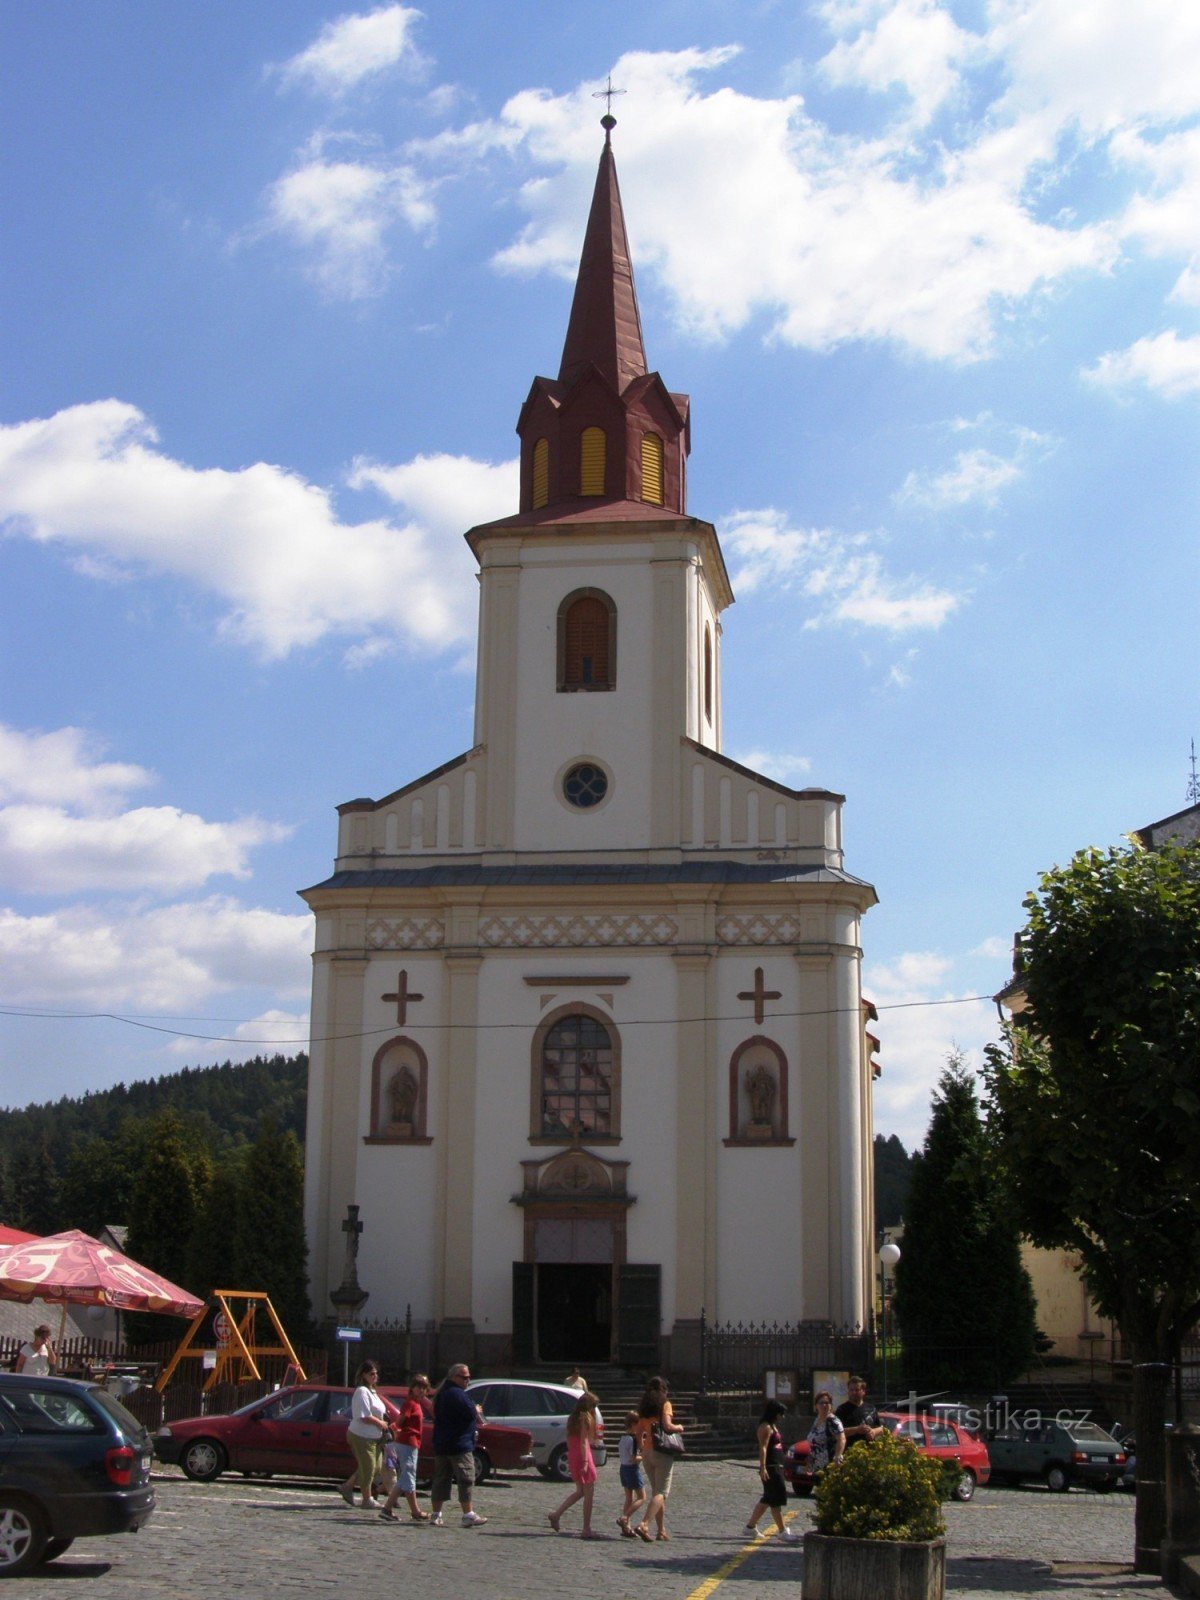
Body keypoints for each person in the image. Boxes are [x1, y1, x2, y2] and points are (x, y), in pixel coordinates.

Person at [430, 1362, 487, 1527]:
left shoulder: (442, 1393)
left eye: (469, 1377)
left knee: (441, 1479)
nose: (467, 1380)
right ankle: (468, 1514)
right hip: (458, 1445)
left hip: (442, 1444)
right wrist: (476, 1409)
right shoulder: (456, 1393)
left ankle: (436, 1515)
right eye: (464, 1377)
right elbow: (470, 1412)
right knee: (466, 1478)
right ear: (454, 1377)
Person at [629, 1376, 683, 1542]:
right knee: (661, 1492)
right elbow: (667, 1426)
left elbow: (638, 1433)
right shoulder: (664, 1405)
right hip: (662, 1452)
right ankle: (644, 1524)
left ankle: (661, 1530)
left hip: (647, 1453)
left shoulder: (643, 1409)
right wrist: (679, 1427)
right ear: (663, 1391)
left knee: (655, 1492)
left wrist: (643, 1446)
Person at [379, 1373, 432, 1523]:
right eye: (418, 1387)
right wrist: (394, 1428)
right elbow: (401, 1420)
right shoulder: (410, 1403)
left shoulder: (417, 1403)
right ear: (412, 1388)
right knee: (407, 1477)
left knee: (408, 1478)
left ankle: (415, 1511)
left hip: (411, 1443)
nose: (421, 1390)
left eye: (424, 1387)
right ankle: (387, 1509)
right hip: (407, 1443)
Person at [547, 1390, 601, 1538]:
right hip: (583, 1456)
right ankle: (586, 1528)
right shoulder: (585, 1418)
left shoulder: (573, 1418)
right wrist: (585, 1462)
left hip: (574, 1454)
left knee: (580, 1491)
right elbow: (584, 1441)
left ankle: (556, 1514)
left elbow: (573, 1440)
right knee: (588, 1493)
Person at [744, 1399, 799, 1540]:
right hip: (770, 1466)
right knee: (775, 1498)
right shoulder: (766, 1427)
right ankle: (782, 1531)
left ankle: (750, 1527)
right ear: (775, 1414)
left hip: (777, 1465)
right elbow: (763, 1447)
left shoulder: (773, 1426)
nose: (783, 1417)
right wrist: (762, 1467)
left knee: (768, 1498)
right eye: (781, 1414)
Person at [340, 1360, 390, 1509]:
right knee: (368, 1468)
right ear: (363, 1375)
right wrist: (380, 1423)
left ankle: (347, 1486)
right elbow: (363, 1415)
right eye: (371, 1374)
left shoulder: (372, 1391)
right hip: (361, 1435)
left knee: (375, 1468)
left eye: (376, 1373)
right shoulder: (361, 1391)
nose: (374, 1376)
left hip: (375, 1438)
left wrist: (385, 1421)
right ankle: (367, 1499)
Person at [616, 1409, 647, 1537]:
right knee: (642, 1497)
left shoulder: (622, 1438)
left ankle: (626, 1527)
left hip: (623, 1468)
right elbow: (634, 1458)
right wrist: (644, 1456)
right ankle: (625, 1517)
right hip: (631, 1469)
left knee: (629, 1498)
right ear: (634, 1424)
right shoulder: (633, 1440)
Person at [804, 1390, 845, 1483]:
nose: (824, 1405)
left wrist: (838, 1456)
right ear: (816, 1406)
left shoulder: (833, 1420)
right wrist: (809, 1461)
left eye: (827, 1403)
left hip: (829, 1466)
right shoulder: (817, 1420)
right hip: (817, 1466)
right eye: (821, 1403)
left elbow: (842, 1439)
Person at [835, 1374, 885, 1451]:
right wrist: (857, 1429)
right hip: (849, 1452)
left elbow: (881, 1428)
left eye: (857, 1390)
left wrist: (873, 1432)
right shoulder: (841, 1410)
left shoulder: (871, 1408)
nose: (854, 1392)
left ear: (863, 1391)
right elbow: (837, 1433)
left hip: (870, 1453)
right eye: (851, 1390)